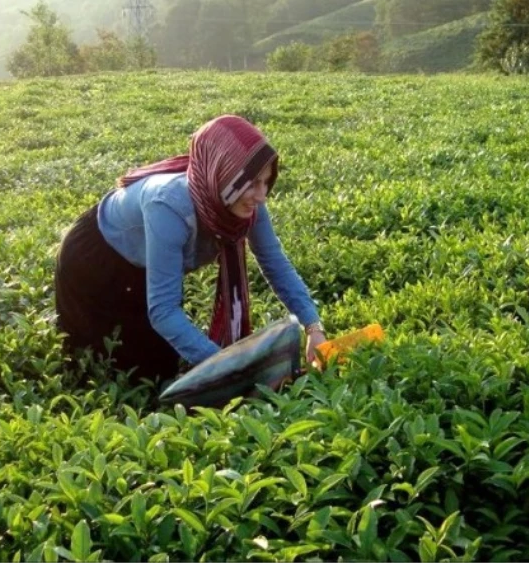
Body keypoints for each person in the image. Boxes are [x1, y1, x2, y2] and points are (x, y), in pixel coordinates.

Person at [54, 114, 327, 384]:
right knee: (107, 369)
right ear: (225, 175)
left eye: (266, 182)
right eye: (253, 183)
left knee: (162, 367)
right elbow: (163, 310)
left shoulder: (246, 202)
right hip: (96, 262)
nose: (262, 194)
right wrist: (231, 367)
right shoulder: (170, 206)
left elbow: (275, 263)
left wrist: (313, 327)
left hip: (145, 264)